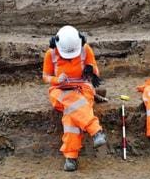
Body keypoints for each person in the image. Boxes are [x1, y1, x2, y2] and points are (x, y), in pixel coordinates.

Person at [42, 25, 107, 171]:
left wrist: (91, 70)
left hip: (82, 87)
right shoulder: (51, 54)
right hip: (60, 89)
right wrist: (57, 79)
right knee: (74, 102)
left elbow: (96, 71)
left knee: (71, 116)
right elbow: (45, 77)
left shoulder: (85, 50)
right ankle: (96, 131)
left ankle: (71, 157)